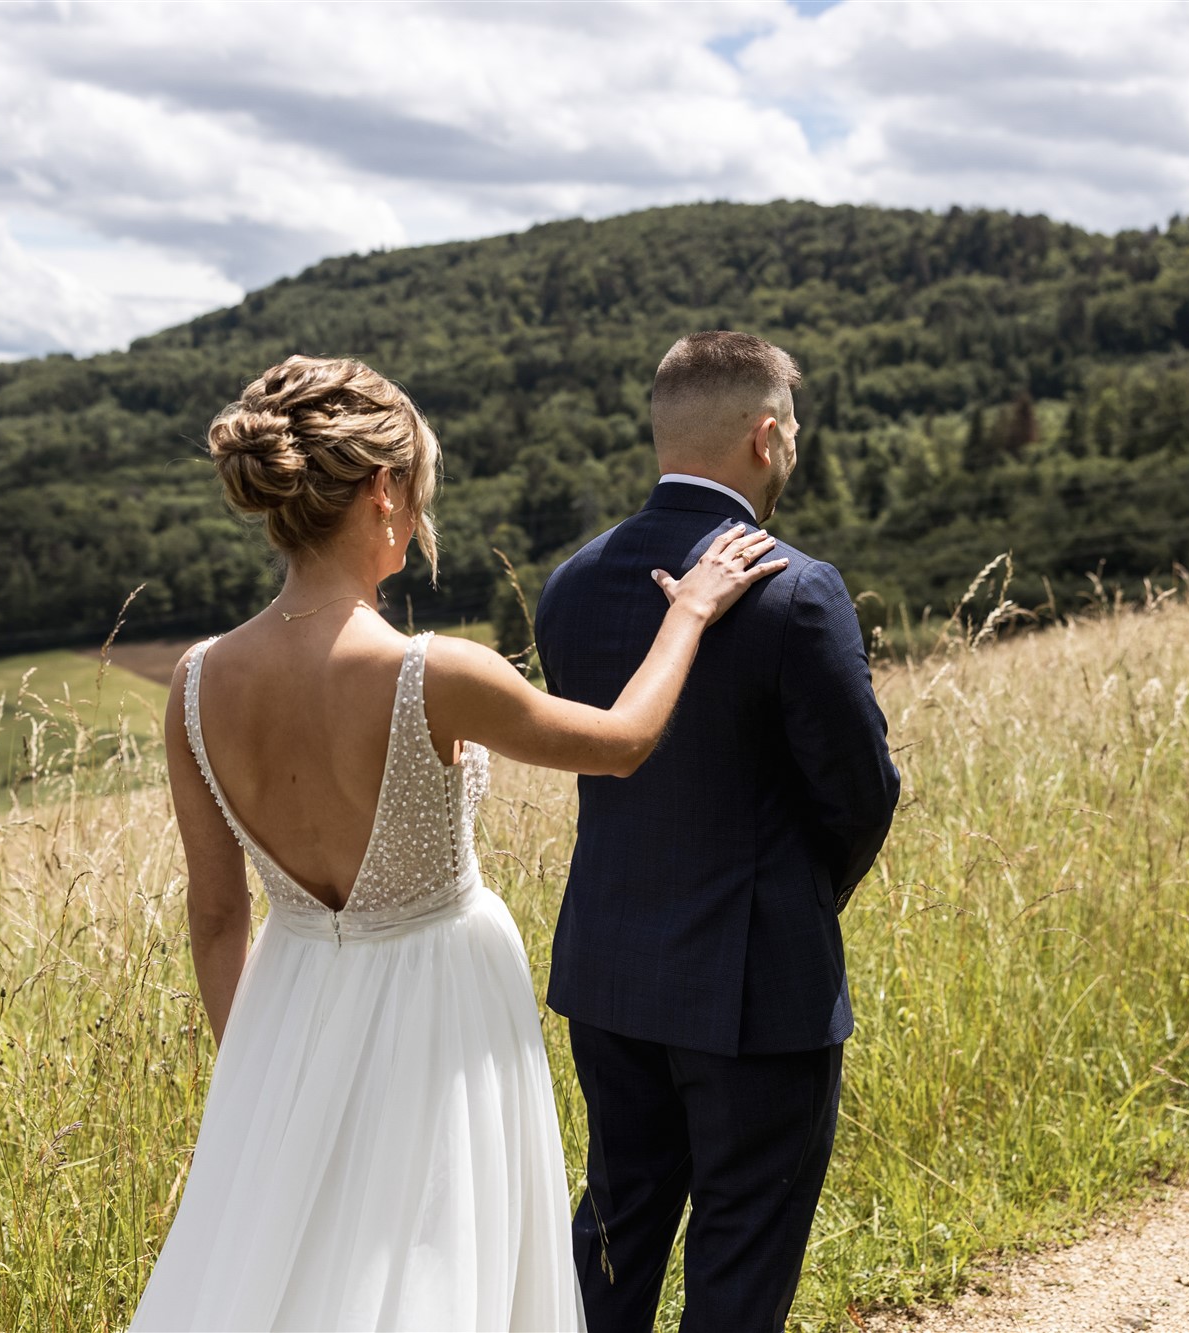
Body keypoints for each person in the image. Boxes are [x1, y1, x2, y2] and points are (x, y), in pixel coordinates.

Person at [132, 353, 786, 1331]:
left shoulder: (193, 682)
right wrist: (686, 612)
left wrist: (256, 1080)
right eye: (419, 490)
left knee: (315, 1277)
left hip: (290, 1004)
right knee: (441, 1268)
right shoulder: (427, 671)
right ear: (384, 491)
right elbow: (620, 745)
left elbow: (218, 914)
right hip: (440, 1006)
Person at [535, 330, 902, 1331]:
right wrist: (790, 896)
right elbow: (860, 794)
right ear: (765, 434)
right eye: (790, 435)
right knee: (740, 1260)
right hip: (757, 986)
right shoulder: (797, 588)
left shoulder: (569, 584)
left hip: (610, 970)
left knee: (614, 1231)